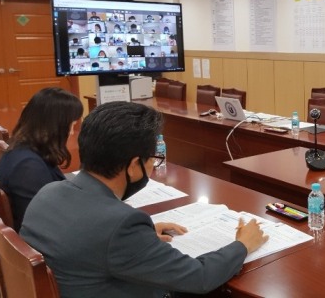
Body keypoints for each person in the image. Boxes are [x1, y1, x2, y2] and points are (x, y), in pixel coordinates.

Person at [20, 102, 268, 297]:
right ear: (132, 166)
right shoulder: (119, 225)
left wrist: (143, 235)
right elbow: (199, 277)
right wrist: (243, 245)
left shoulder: (48, 192)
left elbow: (89, 239)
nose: (152, 165)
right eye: (151, 159)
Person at [0, 88, 83, 231]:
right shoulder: (28, 167)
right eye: (71, 125)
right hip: (43, 241)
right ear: (55, 126)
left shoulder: (24, 149)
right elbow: (44, 223)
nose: (72, 132)